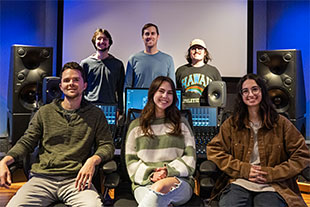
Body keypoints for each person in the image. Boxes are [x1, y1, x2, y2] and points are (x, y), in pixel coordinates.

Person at [0, 62, 115, 206]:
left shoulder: (96, 115)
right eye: (66, 80)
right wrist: (5, 161)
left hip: (76, 180)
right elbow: (27, 141)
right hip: (42, 179)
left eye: (76, 80)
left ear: (84, 85)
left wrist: (92, 160)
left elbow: (107, 146)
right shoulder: (45, 112)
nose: (71, 83)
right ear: (61, 86)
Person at [207, 73, 310, 206]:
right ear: (241, 96)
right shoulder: (232, 123)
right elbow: (214, 151)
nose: (250, 94)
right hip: (240, 181)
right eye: (245, 91)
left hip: (272, 184)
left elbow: (302, 156)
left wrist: (272, 173)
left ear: (262, 91)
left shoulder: (281, 123)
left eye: (255, 89)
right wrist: (243, 169)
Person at [125, 76, 196, 207]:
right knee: (157, 198)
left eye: (170, 93)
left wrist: (167, 171)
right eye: (161, 91)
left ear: (174, 97)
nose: (165, 96)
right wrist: (151, 175)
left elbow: (190, 158)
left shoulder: (181, 123)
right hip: (145, 183)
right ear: (152, 93)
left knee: (160, 188)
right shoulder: (136, 126)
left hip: (178, 181)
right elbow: (131, 162)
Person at [81, 28, 125, 115]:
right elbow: (81, 88)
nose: (102, 41)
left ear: (109, 42)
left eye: (105, 39)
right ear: (94, 41)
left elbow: (121, 90)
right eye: (99, 39)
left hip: (110, 107)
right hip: (89, 106)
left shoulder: (118, 64)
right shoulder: (85, 64)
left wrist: (119, 110)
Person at [124, 23, 175, 89]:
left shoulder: (168, 59)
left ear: (158, 36)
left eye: (153, 33)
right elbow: (127, 86)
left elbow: (172, 87)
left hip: (160, 99)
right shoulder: (133, 59)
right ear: (143, 37)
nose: (150, 36)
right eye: (147, 34)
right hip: (138, 99)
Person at [176, 38, 221, 108]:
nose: (196, 51)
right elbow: (176, 95)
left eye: (200, 48)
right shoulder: (180, 71)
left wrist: (218, 118)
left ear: (205, 52)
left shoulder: (213, 71)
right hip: (185, 113)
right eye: (193, 49)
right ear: (189, 52)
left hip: (206, 112)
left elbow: (220, 98)